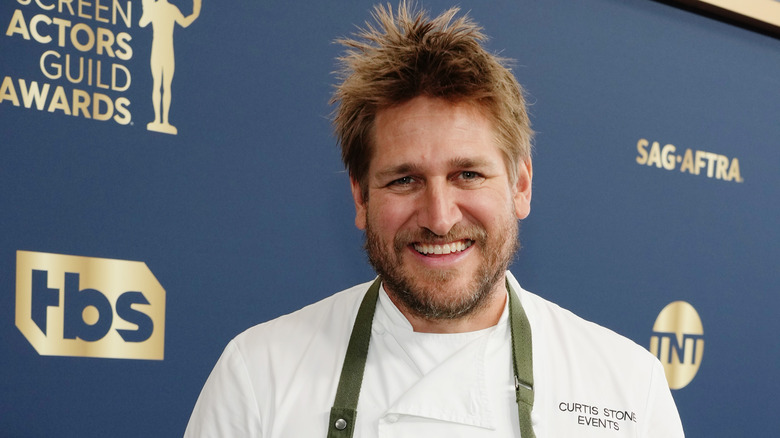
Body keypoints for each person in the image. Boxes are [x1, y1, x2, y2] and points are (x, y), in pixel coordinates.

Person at [184, 3, 685, 437]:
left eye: (467, 174)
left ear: (521, 186)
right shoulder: (257, 376)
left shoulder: (627, 387)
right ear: (360, 198)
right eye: (404, 180)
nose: (440, 219)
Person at [140, 0, 201, 135]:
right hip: (161, 50)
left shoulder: (168, 8)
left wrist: (146, 8)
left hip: (165, 50)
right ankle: (158, 120)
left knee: (163, 86)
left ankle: (163, 121)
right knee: (161, 85)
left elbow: (142, 22)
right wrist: (195, 13)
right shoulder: (165, 8)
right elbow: (142, 23)